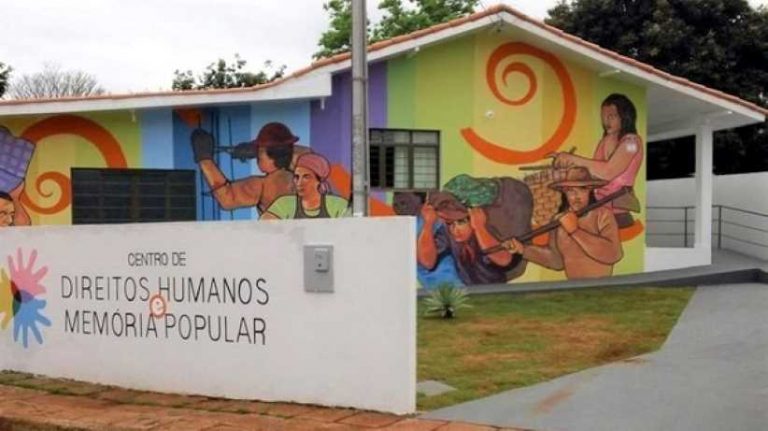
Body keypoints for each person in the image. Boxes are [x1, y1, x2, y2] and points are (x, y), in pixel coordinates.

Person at [505, 167, 623, 279]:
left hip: (602, 286)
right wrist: (523, 250)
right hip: (572, 287)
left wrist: (575, 231)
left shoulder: (603, 215)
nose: (576, 196)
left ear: (590, 190)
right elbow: (556, 261)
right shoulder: (558, 220)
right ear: (565, 193)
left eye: (582, 189)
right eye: (570, 190)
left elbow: (613, 254)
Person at [552, 93, 643, 227]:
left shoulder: (631, 142)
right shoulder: (606, 140)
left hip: (617, 208)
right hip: (598, 204)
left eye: (611, 116)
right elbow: (594, 172)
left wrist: (572, 158)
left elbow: (608, 172)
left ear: (625, 116)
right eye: (603, 117)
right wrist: (570, 171)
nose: (606, 122)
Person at [191, 122, 297, 214]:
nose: (257, 156)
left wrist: (204, 159)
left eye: (259, 151)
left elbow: (227, 199)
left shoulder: (262, 186)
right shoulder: (298, 175)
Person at [418, 192, 520, 285]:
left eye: (461, 222)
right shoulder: (447, 232)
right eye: (449, 223)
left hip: (496, 288)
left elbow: (504, 260)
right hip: (470, 290)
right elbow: (427, 263)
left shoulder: (488, 228)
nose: (455, 230)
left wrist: (479, 228)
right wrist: (428, 224)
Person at [262, 153, 349, 219]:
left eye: (306, 177)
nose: (299, 183)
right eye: (297, 177)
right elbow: (263, 228)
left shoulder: (337, 204)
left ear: (319, 181)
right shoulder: (285, 203)